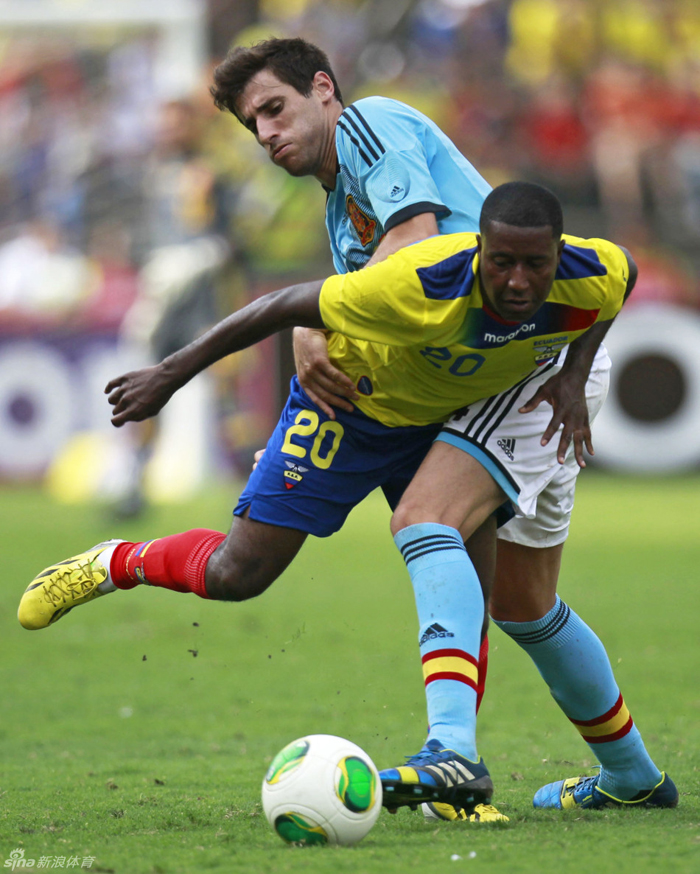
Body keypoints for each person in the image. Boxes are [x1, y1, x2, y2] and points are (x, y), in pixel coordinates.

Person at [18, 181, 677, 818]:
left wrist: (574, 374)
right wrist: (167, 376)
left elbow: (617, 284)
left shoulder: (591, 268)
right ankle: (113, 562)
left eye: (535, 265)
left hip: (440, 423)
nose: (515, 282)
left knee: (485, 591)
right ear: (478, 249)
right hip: (349, 405)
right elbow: (278, 307)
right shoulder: (419, 284)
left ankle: (460, 769)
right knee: (238, 572)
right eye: (500, 262)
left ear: (558, 256)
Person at [207, 39, 675, 814]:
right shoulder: (339, 200)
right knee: (525, 605)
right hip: (536, 369)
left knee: (424, 519)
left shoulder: (369, 126)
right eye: (251, 122)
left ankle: (452, 754)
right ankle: (632, 778)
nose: (264, 133)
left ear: (324, 89)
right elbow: (615, 271)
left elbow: (417, 242)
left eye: (273, 109)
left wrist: (314, 315)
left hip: (517, 364)